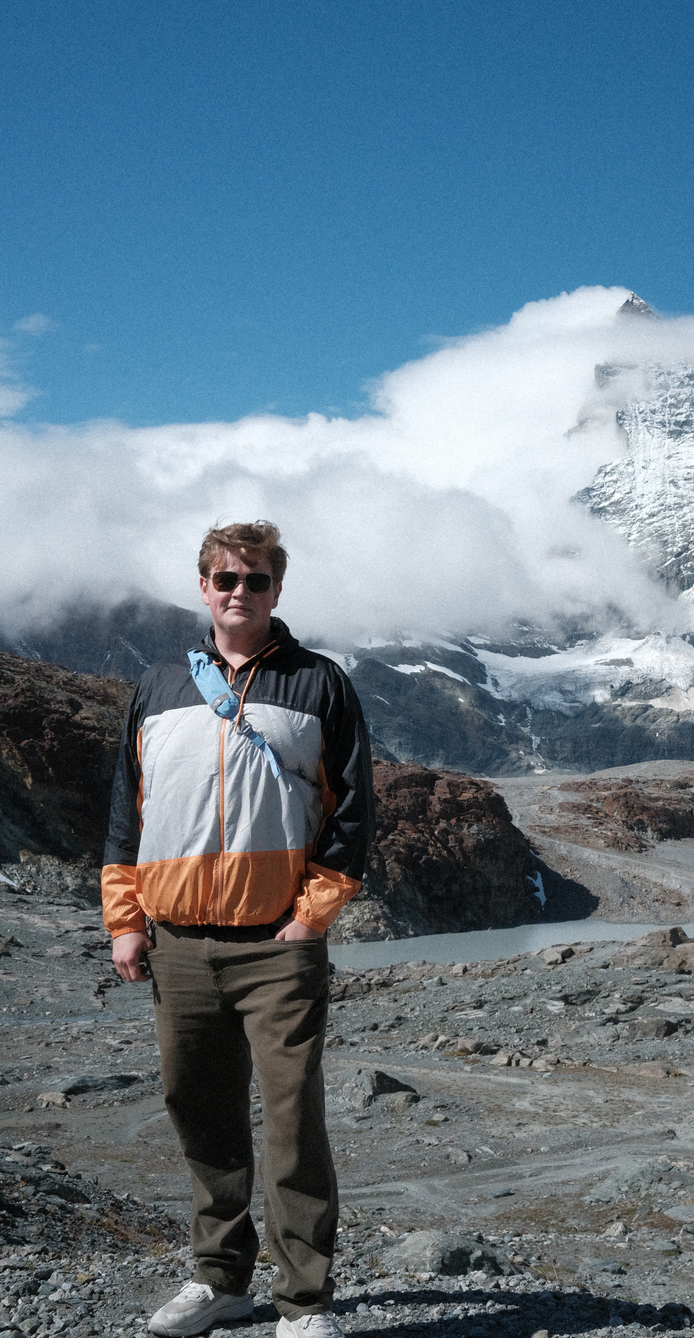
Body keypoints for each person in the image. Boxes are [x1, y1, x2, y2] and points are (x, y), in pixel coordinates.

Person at [103, 521, 374, 1338]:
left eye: (255, 580)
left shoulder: (319, 684)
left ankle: (304, 1301)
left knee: (292, 1121)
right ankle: (221, 1281)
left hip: (275, 945)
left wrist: (308, 919)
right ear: (204, 587)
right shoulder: (157, 687)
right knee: (201, 1110)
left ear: (276, 591)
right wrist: (127, 924)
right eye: (226, 579)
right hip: (178, 940)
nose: (239, 593)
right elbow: (128, 814)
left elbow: (352, 813)